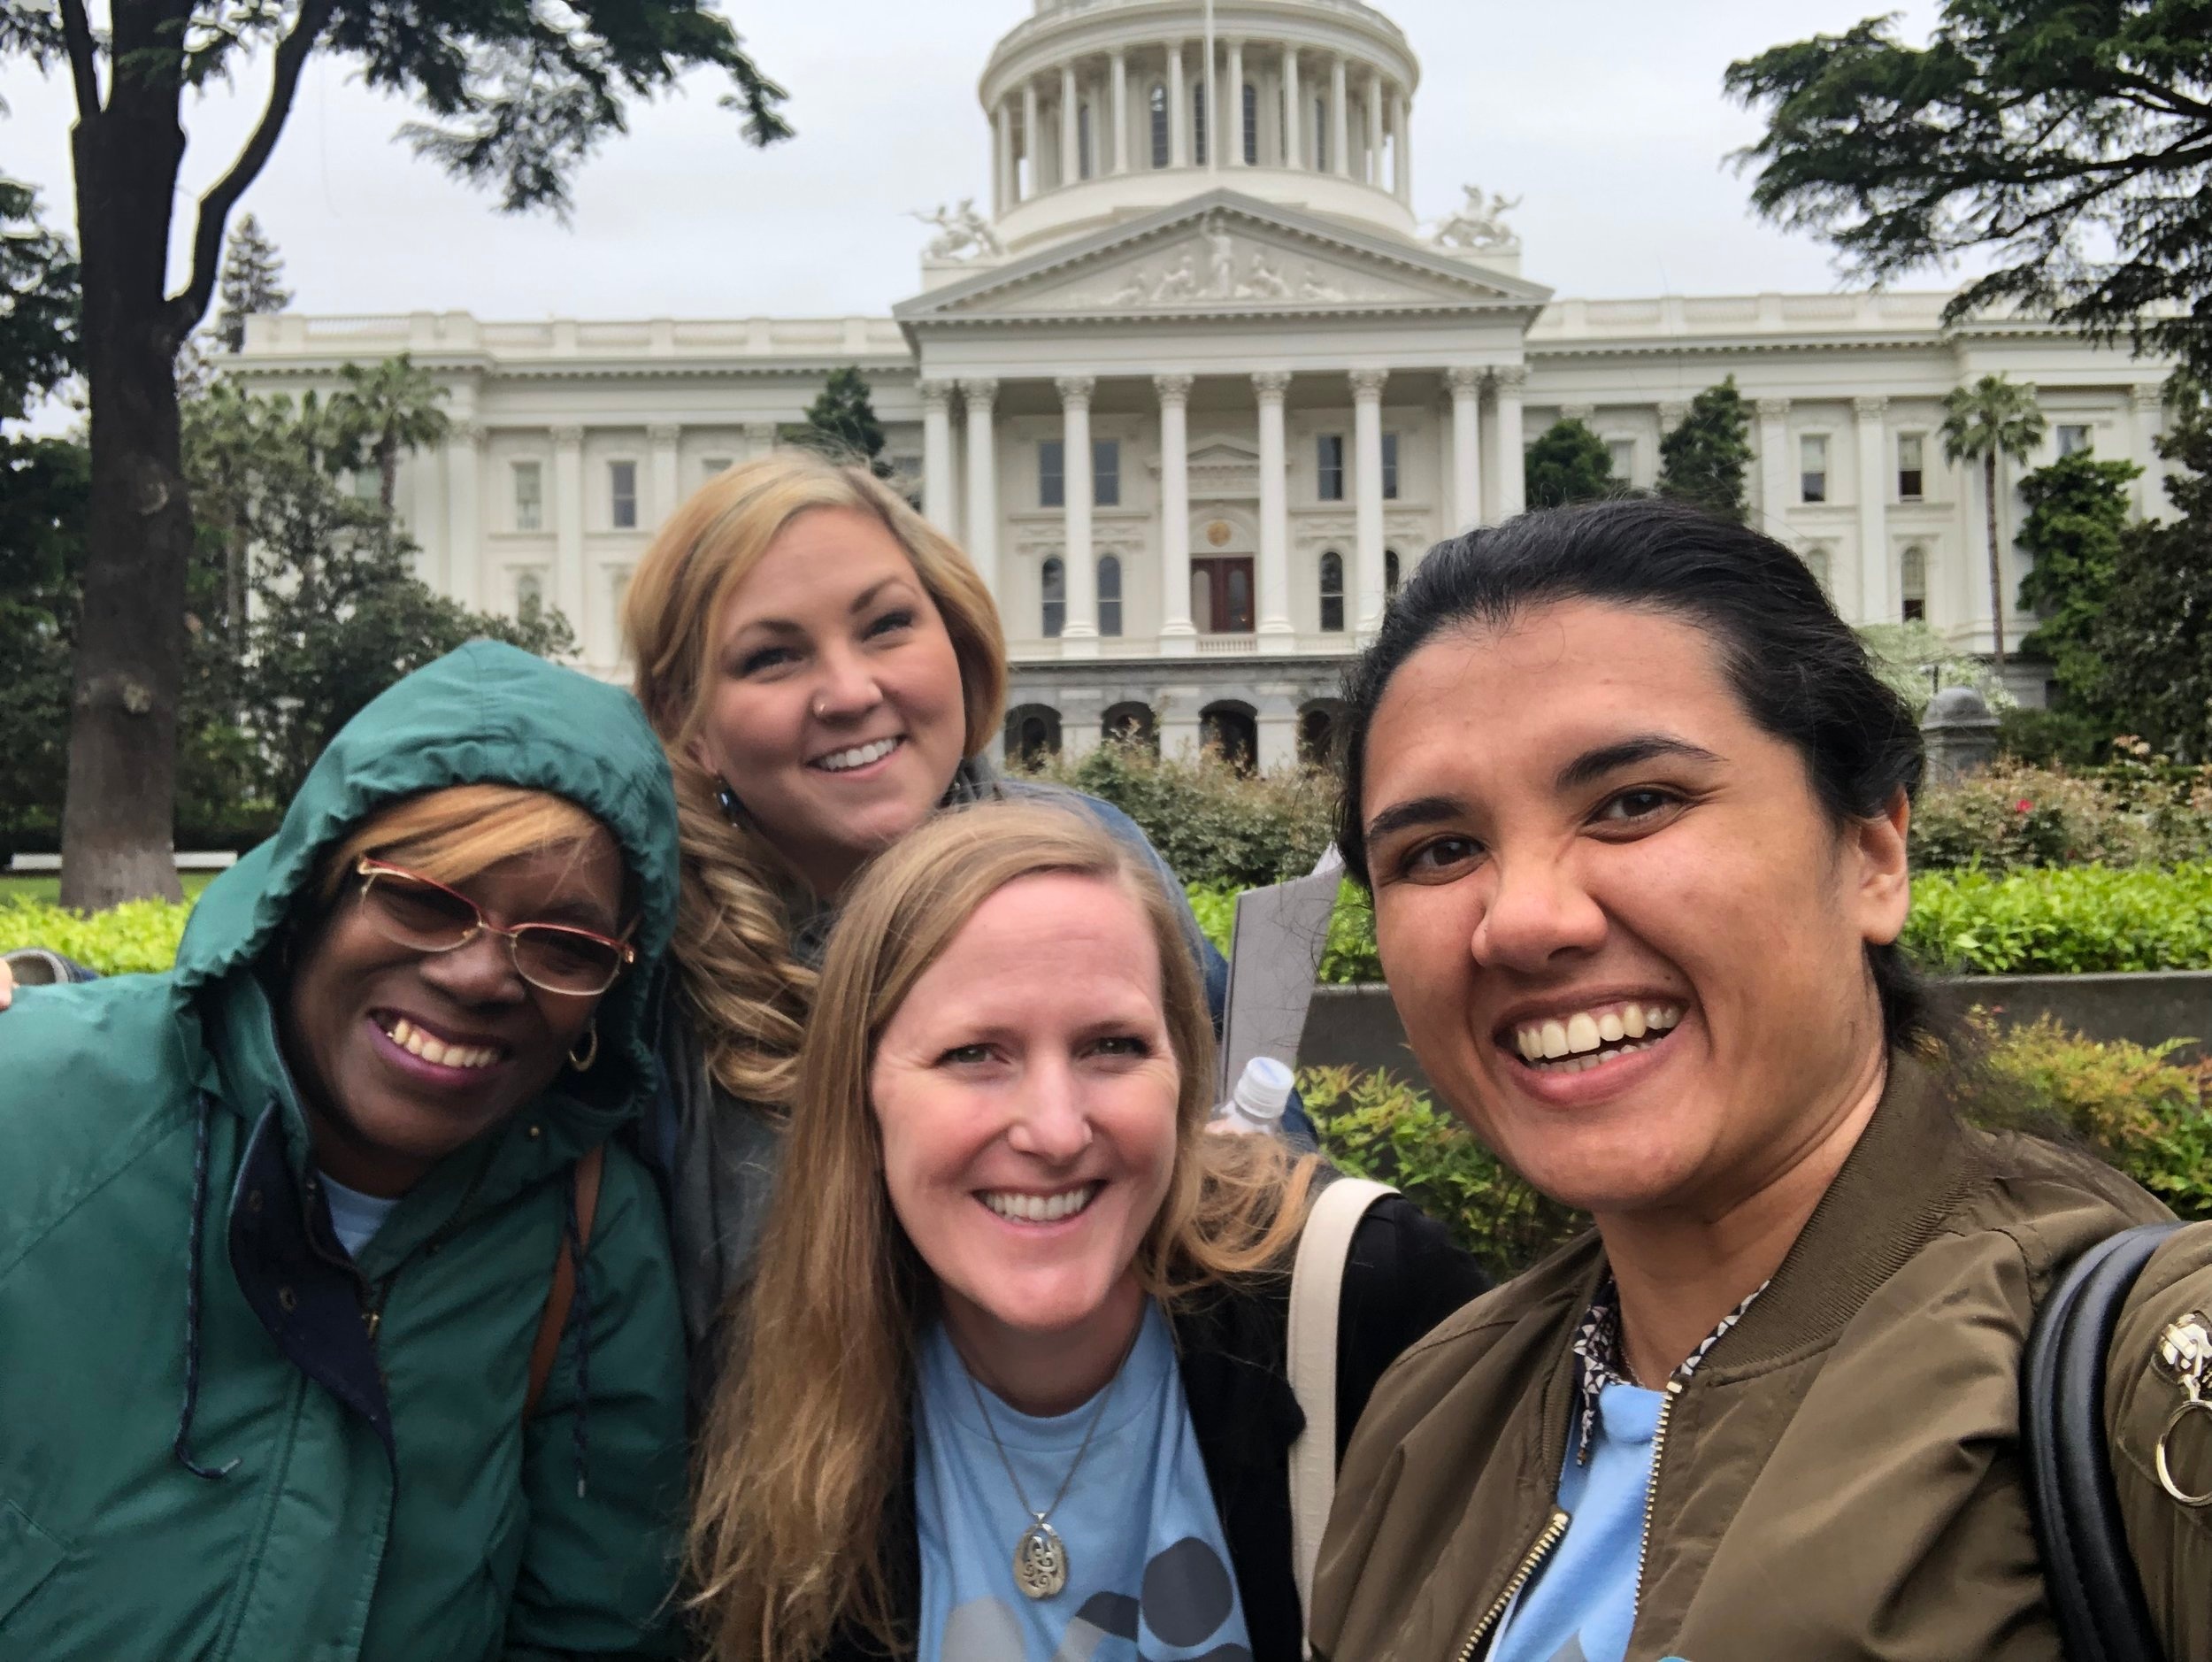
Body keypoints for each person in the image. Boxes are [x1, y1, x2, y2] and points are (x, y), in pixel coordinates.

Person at [1307, 498, 2212, 1662]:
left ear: (1875, 849)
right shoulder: (1430, 1415)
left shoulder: (2150, 1381)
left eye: (1636, 802)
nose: (1523, 919)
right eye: (1438, 851)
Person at [0, 642, 688, 1660]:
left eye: (564, 945)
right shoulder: (41, 1102)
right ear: (314, 893)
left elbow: (596, 1625)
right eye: (425, 895)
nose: (478, 976)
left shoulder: (591, 1236)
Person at [687, 800, 1486, 1661]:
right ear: (862, 1099)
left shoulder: (1364, 1307)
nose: (1056, 1130)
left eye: (1111, 1045)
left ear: (1183, 1078)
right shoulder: (789, 1387)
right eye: (972, 1054)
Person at [618, 448, 1311, 1371]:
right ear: (686, 721)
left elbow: (1274, 1180)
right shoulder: (645, 948)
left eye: (887, 625)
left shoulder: (1087, 851)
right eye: (772, 656)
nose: (852, 692)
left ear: (954, 636)